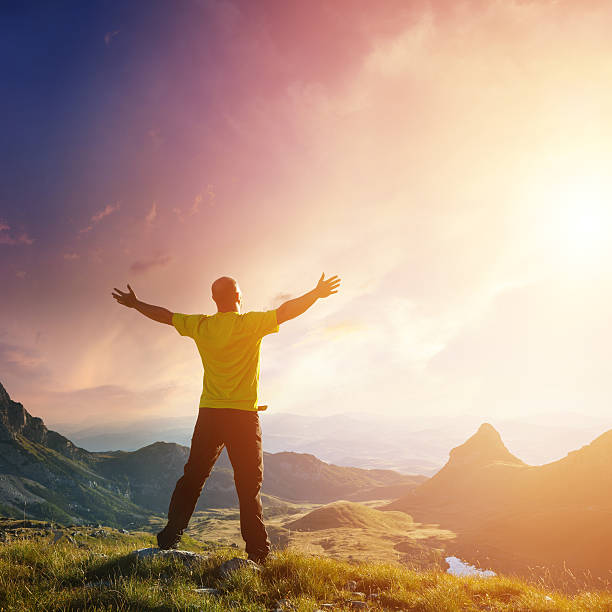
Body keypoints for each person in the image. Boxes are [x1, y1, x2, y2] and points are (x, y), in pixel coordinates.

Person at [111, 272, 341, 562]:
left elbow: (166, 316)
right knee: (248, 485)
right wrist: (315, 294)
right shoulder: (250, 323)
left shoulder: (201, 326)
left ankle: (170, 537)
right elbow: (286, 311)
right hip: (243, 417)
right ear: (238, 297)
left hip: (210, 414)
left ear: (214, 300)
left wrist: (136, 304)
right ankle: (258, 552)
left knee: (192, 478)